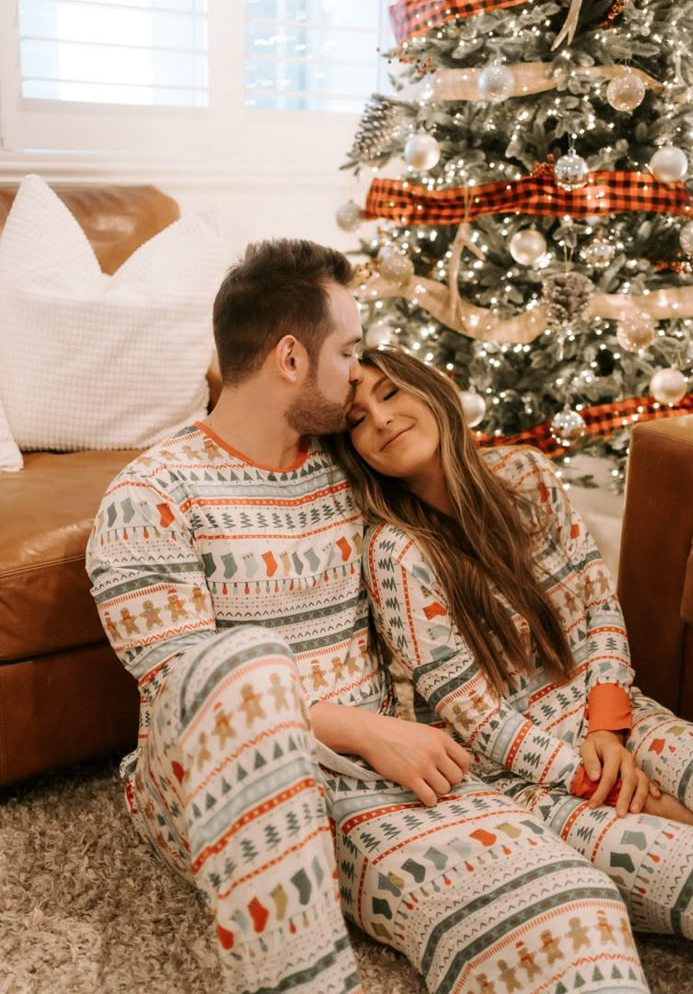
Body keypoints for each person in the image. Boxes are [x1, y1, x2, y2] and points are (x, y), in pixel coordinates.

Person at [88, 240, 652, 994]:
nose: (358, 372)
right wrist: (367, 729)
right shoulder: (150, 495)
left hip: (376, 769)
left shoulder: (347, 467)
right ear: (291, 358)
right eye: (348, 349)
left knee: (576, 906)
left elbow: (471, 519)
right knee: (242, 661)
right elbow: (180, 695)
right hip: (202, 775)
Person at [331, 345, 693, 969]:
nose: (379, 420)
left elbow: (597, 607)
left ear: (435, 389)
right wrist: (589, 774)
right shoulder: (396, 550)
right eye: (356, 418)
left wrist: (607, 725)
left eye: (390, 394)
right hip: (516, 772)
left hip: (608, 718)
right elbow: (473, 715)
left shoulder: (527, 474)